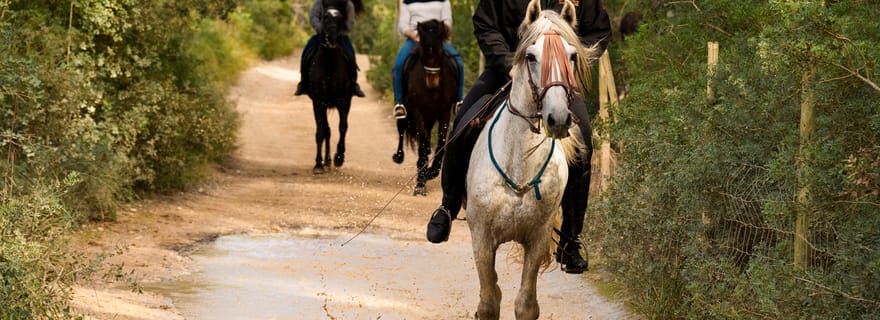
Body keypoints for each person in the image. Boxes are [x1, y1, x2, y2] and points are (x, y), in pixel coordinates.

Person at [425, 0, 610, 274]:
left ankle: (570, 239)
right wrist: (508, 62)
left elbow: (600, 31)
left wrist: (572, 62)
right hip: (506, 72)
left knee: (582, 142)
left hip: (556, 79)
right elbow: (485, 24)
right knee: (463, 125)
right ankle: (448, 206)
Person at [391, 0, 465, 119]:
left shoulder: (443, 1)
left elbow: (447, 21)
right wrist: (415, 35)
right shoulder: (407, 2)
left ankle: (459, 101)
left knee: (459, 64)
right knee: (399, 66)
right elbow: (403, 25)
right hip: (415, 39)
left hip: (437, 40)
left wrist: (439, 33)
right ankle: (399, 103)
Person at [294, 0, 366, 98]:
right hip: (321, 35)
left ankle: (353, 84)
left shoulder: (347, 3)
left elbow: (350, 21)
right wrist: (322, 30)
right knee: (307, 51)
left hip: (341, 36)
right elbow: (313, 17)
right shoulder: (320, 2)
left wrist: (339, 32)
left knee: (350, 54)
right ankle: (304, 82)